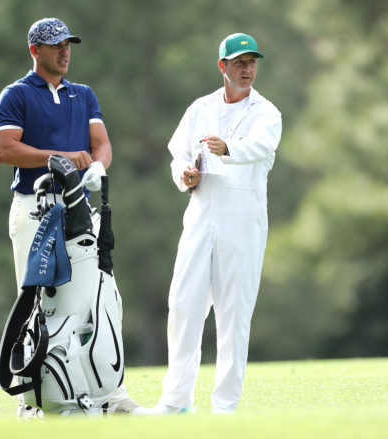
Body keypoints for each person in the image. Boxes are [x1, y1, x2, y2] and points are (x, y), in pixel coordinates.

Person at [0, 17, 140, 416]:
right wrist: (56, 159)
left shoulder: (83, 94)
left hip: (78, 209)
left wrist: (97, 168)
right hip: (34, 210)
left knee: (102, 297)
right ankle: (33, 403)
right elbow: (5, 149)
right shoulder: (17, 95)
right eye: (55, 45)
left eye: (68, 44)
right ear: (34, 51)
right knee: (38, 306)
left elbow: (101, 144)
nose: (64, 51)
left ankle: (112, 396)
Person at [140, 33, 282, 415]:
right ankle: (175, 401)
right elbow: (179, 156)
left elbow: (262, 147)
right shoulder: (200, 108)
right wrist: (184, 175)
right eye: (239, 62)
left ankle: (224, 408)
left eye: (252, 61)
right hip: (202, 215)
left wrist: (227, 148)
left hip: (243, 220)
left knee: (234, 315)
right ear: (223, 66)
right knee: (183, 306)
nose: (247, 68)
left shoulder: (267, 113)